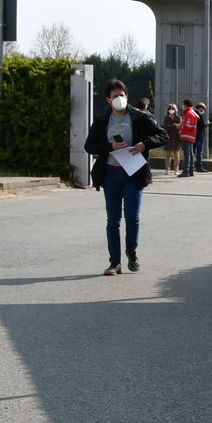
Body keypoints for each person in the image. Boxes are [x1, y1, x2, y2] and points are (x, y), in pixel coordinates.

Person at [82, 78, 165, 276]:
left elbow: (162, 135)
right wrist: (109, 147)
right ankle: (115, 262)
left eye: (122, 95)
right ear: (107, 100)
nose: (119, 98)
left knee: (132, 218)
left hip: (133, 172)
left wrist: (145, 144)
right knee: (113, 219)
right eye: (115, 96)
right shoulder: (102, 120)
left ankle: (132, 252)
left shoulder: (140, 117)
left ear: (127, 96)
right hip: (111, 173)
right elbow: (89, 146)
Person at [177, 101, 198, 177]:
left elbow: (188, 125)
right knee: (190, 154)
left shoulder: (189, 113)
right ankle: (190, 170)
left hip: (187, 136)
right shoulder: (191, 112)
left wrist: (180, 126)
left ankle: (186, 171)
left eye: (183, 105)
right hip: (190, 136)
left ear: (185, 105)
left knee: (187, 154)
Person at [162, 103, 182, 175]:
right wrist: (174, 125)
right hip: (168, 137)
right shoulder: (166, 118)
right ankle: (167, 169)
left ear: (175, 110)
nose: (171, 110)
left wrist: (173, 126)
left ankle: (176, 169)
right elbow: (165, 127)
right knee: (168, 154)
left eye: (173, 109)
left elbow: (180, 126)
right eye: (170, 109)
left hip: (177, 137)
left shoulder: (179, 118)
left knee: (176, 154)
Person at [195, 102, 210, 171]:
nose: (203, 111)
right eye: (203, 109)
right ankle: (199, 166)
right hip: (199, 136)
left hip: (195, 135)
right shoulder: (199, 115)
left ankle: (193, 166)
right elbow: (201, 126)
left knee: (194, 151)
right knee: (199, 152)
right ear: (200, 108)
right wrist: (207, 124)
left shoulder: (194, 114)